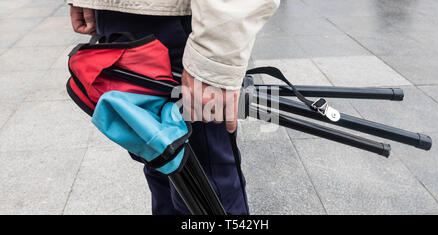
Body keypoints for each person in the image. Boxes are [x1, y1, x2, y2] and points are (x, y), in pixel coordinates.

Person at [67, 0, 280, 215]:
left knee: (203, 183)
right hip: (123, 15)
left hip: (182, 22)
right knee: (162, 161)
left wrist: (213, 59)